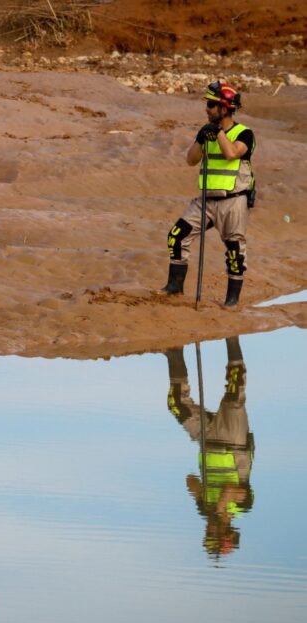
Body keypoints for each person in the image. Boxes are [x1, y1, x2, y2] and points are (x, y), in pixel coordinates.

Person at [162, 80, 256, 306]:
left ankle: (231, 301)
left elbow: (233, 153)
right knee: (176, 236)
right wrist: (202, 137)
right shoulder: (207, 132)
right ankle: (174, 288)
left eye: (212, 105)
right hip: (204, 201)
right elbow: (190, 160)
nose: (207, 109)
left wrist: (219, 133)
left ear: (224, 109)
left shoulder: (245, 134)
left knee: (235, 252)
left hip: (233, 202)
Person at [164, 337, 255, 558]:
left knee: (176, 404)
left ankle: (174, 350)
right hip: (233, 441)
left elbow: (190, 480)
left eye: (207, 532)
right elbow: (230, 491)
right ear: (225, 531)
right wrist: (219, 509)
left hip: (205, 440)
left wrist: (202, 503)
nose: (207, 528)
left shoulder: (206, 509)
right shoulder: (241, 509)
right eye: (210, 532)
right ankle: (231, 336)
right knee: (235, 392)